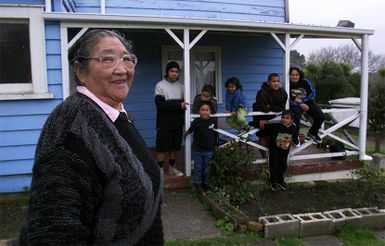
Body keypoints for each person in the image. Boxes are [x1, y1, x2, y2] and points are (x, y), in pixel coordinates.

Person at [20, 29, 164, 245]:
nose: (122, 69)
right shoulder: (70, 126)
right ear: (80, 71)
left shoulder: (114, 116)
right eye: (107, 59)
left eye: (127, 59)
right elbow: (53, 232)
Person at [155, 61, 187, 176]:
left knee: (174, 147)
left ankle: (172, 168)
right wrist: (179, 105)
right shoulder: (160, 86)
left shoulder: (182, 87)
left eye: (176, 72)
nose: (174, 74)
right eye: (172, 71)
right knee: (162, 147)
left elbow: (185, 105)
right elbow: (161, 105)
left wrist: (181, 106)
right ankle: (160, 170)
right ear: (167, 72)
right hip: (164, 122)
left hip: (177, 122)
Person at [257, 110, 298, 191]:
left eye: (287, 118)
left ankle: (280, 180)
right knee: (273, 165)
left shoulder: (293, 127)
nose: (284, 120)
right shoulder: (276, 126)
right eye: (283, 117)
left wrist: (295, 140)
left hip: (285, 151)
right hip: (274, 151)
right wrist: (255, 124)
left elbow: (294, 136)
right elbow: (264, 128)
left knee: (283, 165)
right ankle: (273, 181)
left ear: (291, 120)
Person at [183, 101, 217, 193]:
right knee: (198, 167)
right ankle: (198, 184)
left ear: (210, 111)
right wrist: (185, 134)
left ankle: (206, 184)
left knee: (207, 167)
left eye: (207, 110)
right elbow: (191, 130)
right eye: (202, 110)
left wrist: (215, 145)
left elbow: (216, 133)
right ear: (199, 111)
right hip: (198, 149)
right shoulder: (196, 121)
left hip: (209, 150)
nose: (204, 112)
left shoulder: (213, 121)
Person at [252, 73, 288, 157]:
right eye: (273, 81)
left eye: (278, 81)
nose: (276, 83)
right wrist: (272, 107)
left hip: (275, 117)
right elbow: (263, 108)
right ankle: (264, 157)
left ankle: (272, 157)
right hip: (261, 117)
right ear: (268, 82)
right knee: (263, 136)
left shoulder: (282, 92)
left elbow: (282, 108)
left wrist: (270, 106)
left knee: (274, 136)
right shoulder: (261, 92)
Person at [289, 67, 325, 144]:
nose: (294, 77)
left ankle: (313, 132)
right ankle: (295, 137)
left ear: (299, 75)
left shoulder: (305, 82)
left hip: (308, 102)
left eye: (296, 75)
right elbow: (288, 97)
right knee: (296, 115)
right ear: (289, 75)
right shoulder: (287, 83)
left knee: (320, 116)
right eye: (292, 75)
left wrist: (300, 100)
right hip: (295, 104)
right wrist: (300, 102)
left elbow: (312, 93)